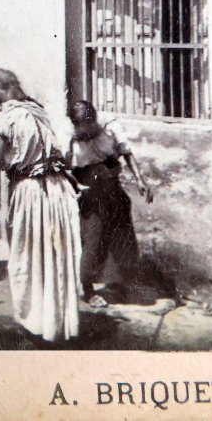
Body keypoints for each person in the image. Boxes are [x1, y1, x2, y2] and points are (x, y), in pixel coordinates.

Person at [0, 69, 81, 345]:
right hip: (57, 189)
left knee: (28, 255)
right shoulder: (37, 110)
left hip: (31, 192)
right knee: (53, 257)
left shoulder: (6, 119)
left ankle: (34, 324)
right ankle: (56, 323)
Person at [67, 100, 153, 306]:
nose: (87, 135)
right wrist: (75, 185)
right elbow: (62, 166)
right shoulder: (68, 135)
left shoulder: (110, 127)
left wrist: (140, 181)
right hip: (87, 189)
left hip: (111, 185)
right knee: (93, 236)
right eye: (83, 132)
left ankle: (120, 283)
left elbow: (126, 153)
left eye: (90, 129)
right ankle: (87, 289)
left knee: (121, 234)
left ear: (95, 120)